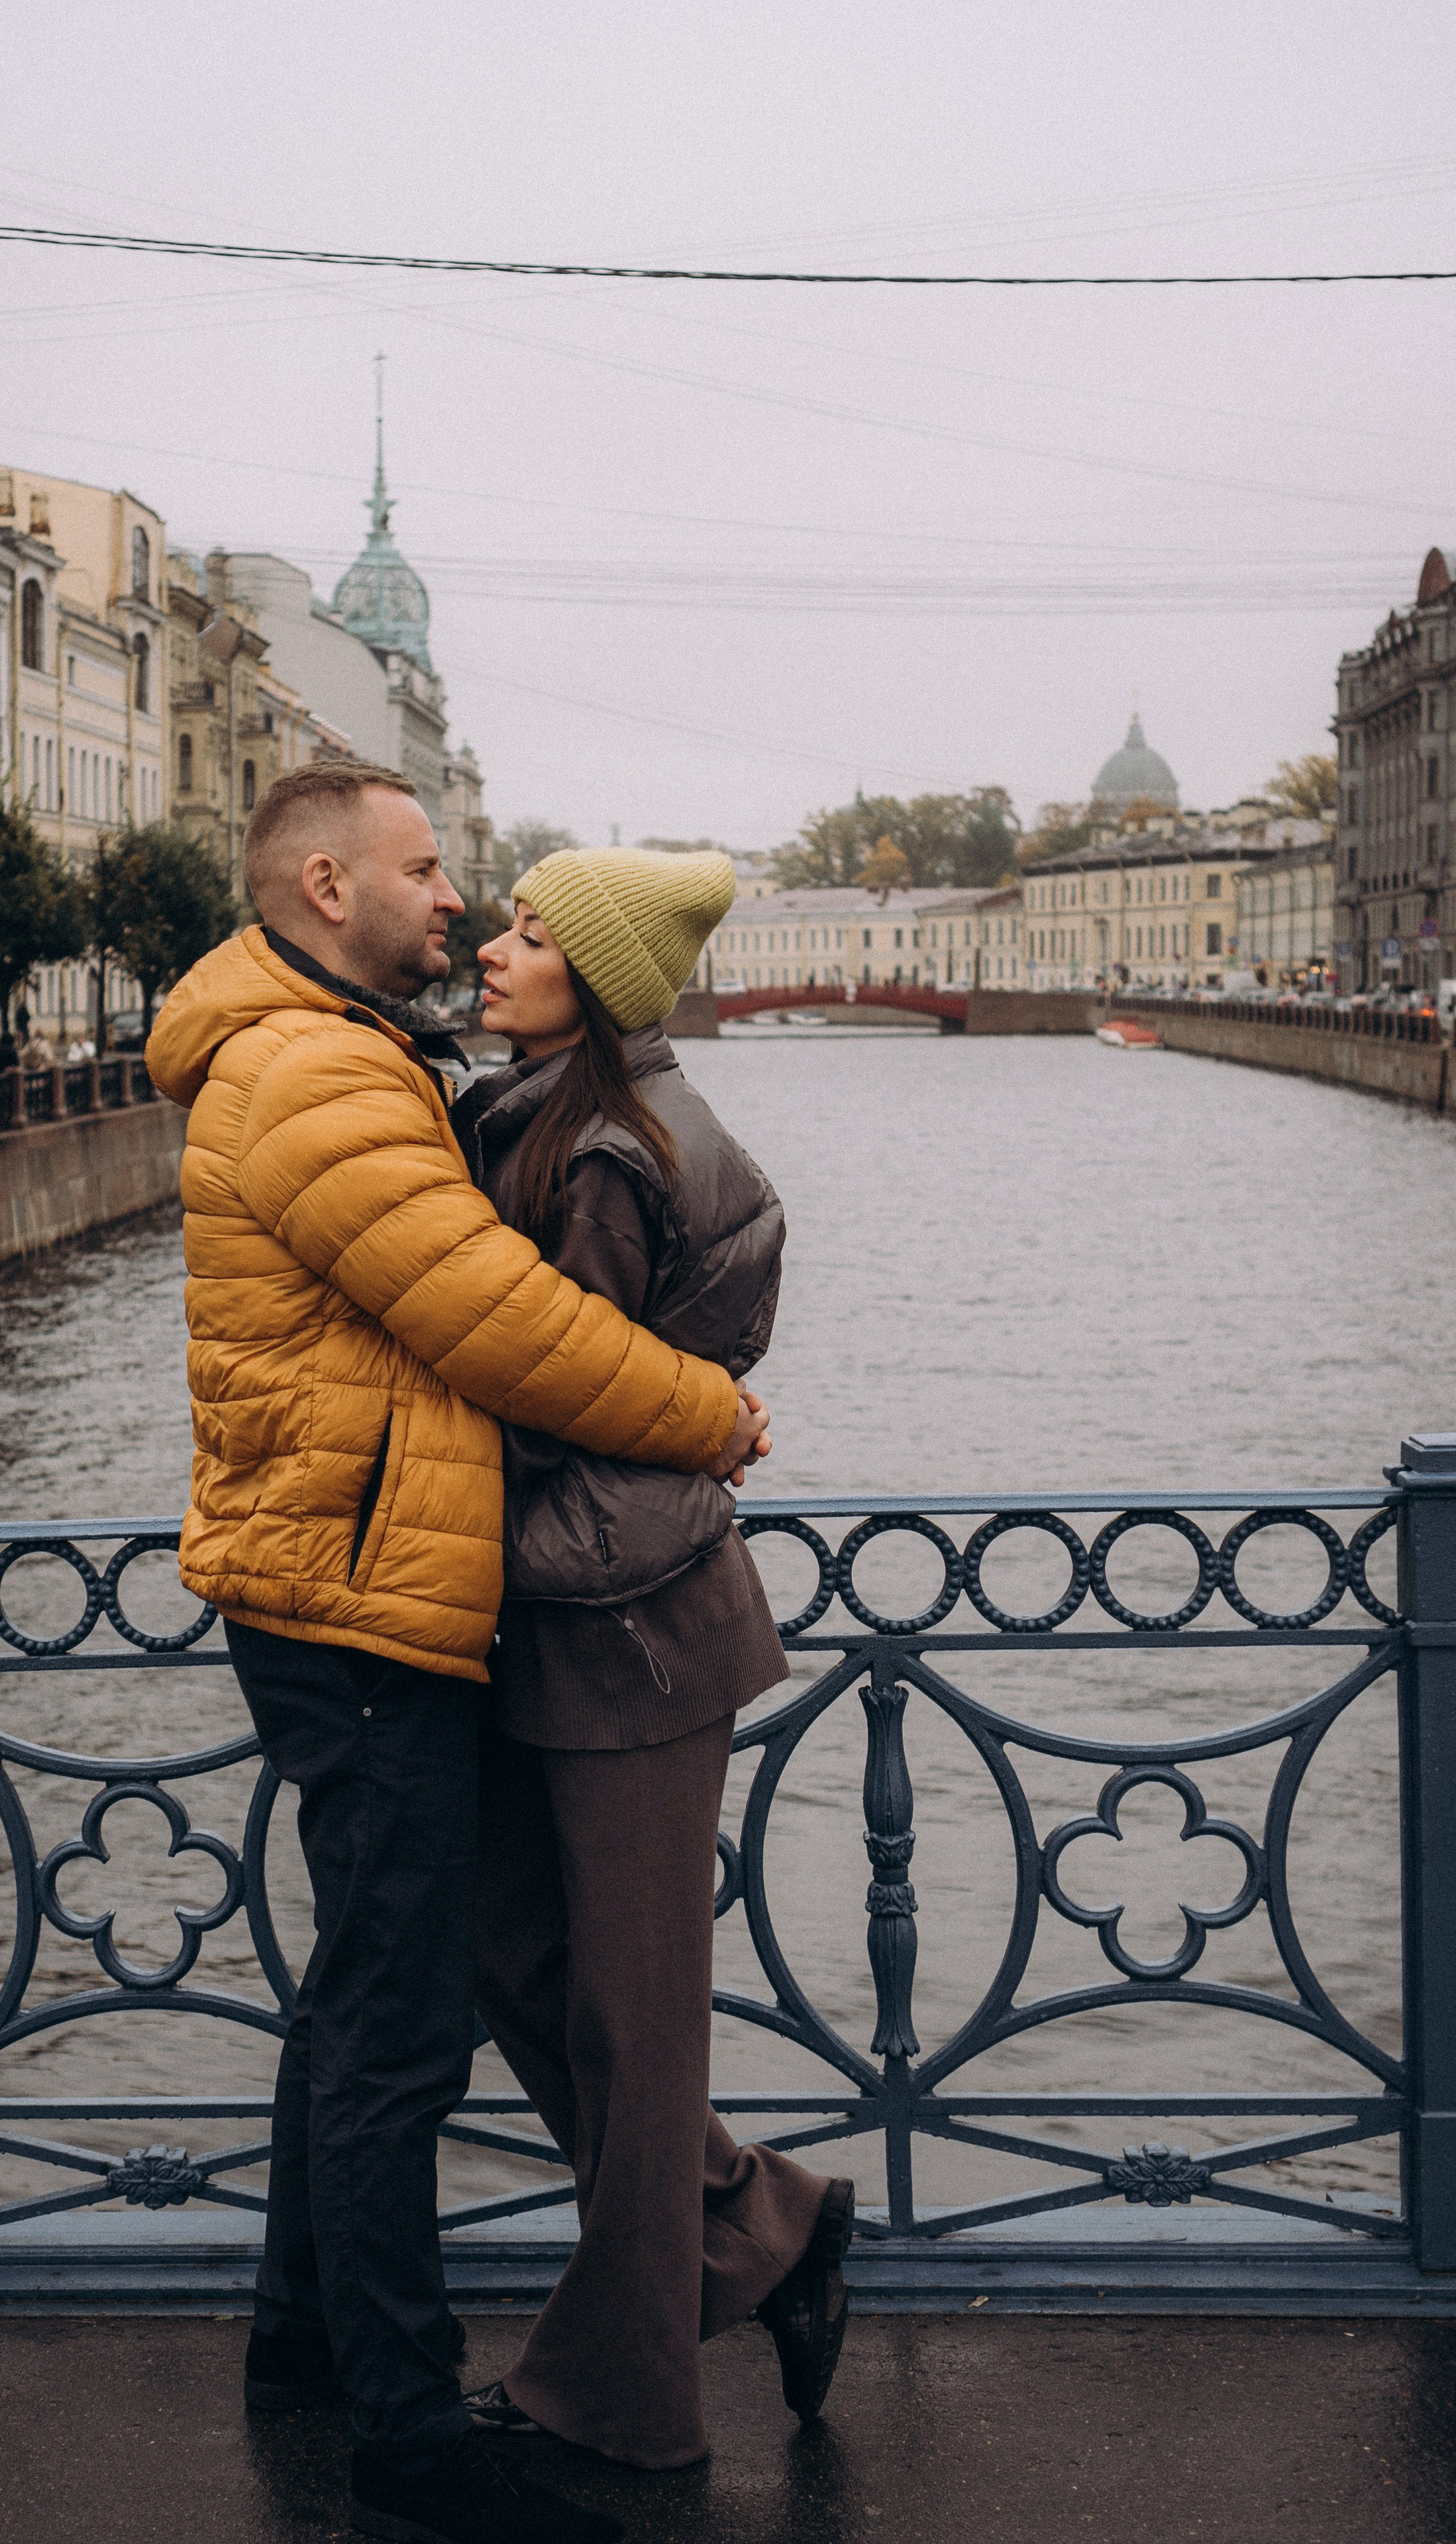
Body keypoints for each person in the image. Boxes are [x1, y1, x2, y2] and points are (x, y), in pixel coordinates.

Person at [145, 763, 768, 2544]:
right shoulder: (317, 1069)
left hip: (341, 1572)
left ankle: (301, 2338)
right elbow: (496, 1321)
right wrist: (707, 1414)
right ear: (325, 886)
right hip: (356, 1593)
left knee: (361, 1992)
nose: (455, 901)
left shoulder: (329, 1046)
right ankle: (411, 2441)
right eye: (427, 871)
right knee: (401, 2034)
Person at [450, 849, 854, 2472]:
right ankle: (763, 2226)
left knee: (630, 2020)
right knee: (511, 1957)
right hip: (578, 1602)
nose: (494, 948)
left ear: (601, 981)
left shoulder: (607, 1152)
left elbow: (558, 1389)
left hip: (629, 1622)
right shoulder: (547, 1114)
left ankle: (620, 2398)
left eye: (531, 933)